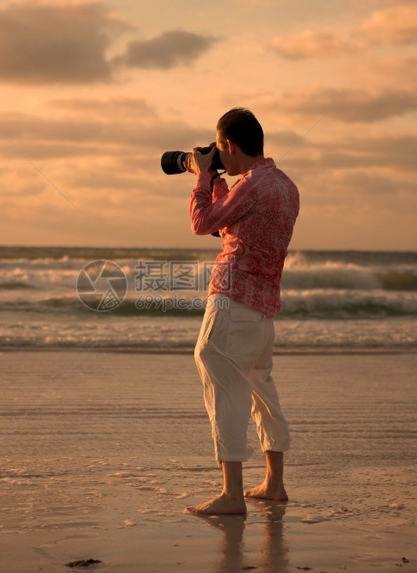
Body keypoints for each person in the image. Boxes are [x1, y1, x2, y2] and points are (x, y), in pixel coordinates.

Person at [184, 108, 300, 515]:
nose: (219, 158)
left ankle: (231, 496)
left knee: (220, 379)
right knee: (260, 387)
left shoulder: (251, 185)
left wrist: (201, 178)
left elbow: (202, 223)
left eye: (219, 151)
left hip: (233, 300)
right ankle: (274, 483)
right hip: (264, 309)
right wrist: (216, 183)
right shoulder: (286, 186)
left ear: (229, 146)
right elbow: (230, 224)